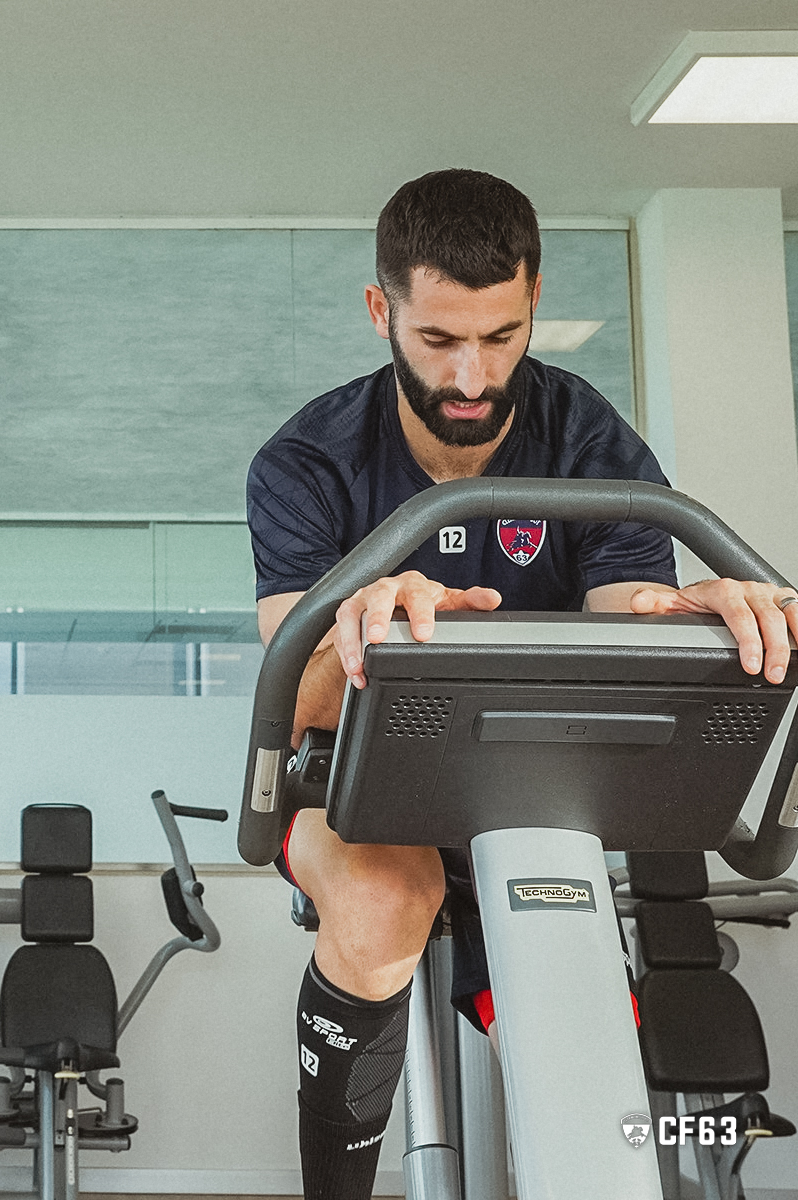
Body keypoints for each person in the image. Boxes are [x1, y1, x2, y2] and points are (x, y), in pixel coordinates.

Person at [246, 168, 798, 1200]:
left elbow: (628, 612)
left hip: (526, 790)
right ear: (381, 312)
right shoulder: (306, 461)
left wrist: (700, 614)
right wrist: (357, 621)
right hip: (352, 789)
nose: (469, 377)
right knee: (382, 903)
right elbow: (297, 703)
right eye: (438, 340)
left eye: (499, 339)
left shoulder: (587, 440)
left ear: (532, 302)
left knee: (579, 1007)